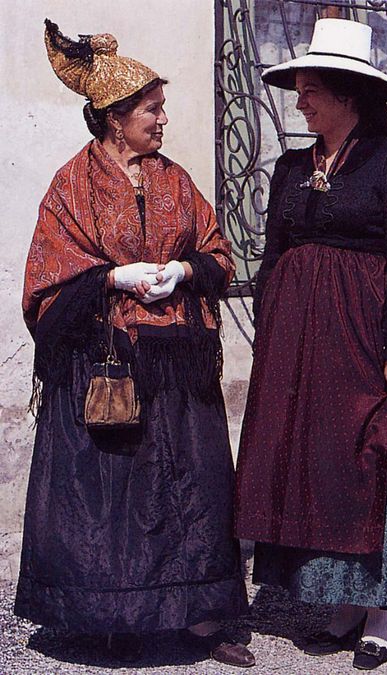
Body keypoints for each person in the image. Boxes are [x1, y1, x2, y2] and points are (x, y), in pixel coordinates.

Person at [15, 20, 255, 668]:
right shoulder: (72, 186)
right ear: (116, 116)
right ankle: (110, 622)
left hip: (177, 371)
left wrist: (181, 271)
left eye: (162, 107)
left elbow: (216, 251)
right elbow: (43, 281)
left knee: (196, 491)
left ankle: (203, 619)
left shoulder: (176, 180)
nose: (163, 118)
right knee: (113, 497)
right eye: (153, 109)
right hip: (108, 369)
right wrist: (110, 277)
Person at [235, 18, 387, 671]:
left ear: (349, 94)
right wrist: (271, 330)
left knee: (369, 457)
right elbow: (275, 257)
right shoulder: (294, 167)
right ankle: (340, 599)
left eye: (310, 92)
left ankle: (381, 606)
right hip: (299, 343)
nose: (299, 103)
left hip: (362, 331)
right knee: (316, 466)